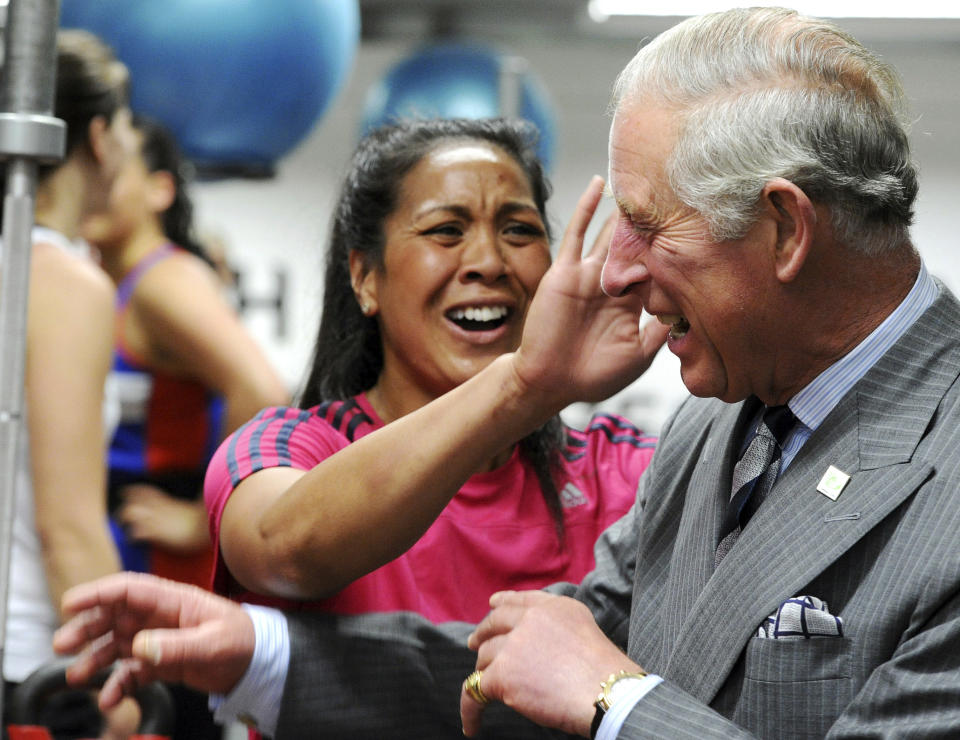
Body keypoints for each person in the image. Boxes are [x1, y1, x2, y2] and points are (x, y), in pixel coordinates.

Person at [53, 6, 960, 738]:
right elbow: (529, 661)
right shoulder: (720, 420)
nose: (615, 273)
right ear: (363, 275)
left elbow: (589, 678)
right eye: (443, 232)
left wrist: (620, 703)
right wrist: (260, 651)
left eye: (647, 226)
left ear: (786, 229)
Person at [204, 117, 654, 630]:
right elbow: (283, 554)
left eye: (519, 230)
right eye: (446, 231)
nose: (488, 262)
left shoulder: (619, 472)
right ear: (365, 277)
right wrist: (521, 388)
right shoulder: (290, 448)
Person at [79, 114, 289, 738]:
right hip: (128, 550)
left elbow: (262, 390)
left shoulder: (163, 281)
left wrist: (201, 520)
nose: (96, 181)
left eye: (115, 170)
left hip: (165, 555)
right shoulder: (108, 283)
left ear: (159, 191)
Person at [3, 29, 140, 736]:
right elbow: (68, 524)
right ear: (96, 135)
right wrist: (114, 685)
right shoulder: (62, 282)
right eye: (123, 123)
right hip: (30, 666)